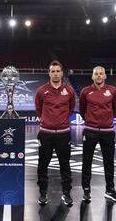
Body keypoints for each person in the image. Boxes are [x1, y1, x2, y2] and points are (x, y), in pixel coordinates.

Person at [35, 61, 76, 207]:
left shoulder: (69, 90)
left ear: (62, 73)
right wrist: (48, 121)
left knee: (65, 164)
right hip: (45, 133)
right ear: (49, 73)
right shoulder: (41, 91)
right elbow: (39, 109)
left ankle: (66, 193)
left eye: (58, 71)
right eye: (53, 71)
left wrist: (61, 121)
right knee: (42, 165)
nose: (56, 73)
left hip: (63, 134)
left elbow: (71, 108)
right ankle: (43, 193)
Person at [79, 66, 116, 203]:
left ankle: (110, 190)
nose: (98, 76)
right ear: (92, 76)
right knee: (87, 161)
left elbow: (115, 109)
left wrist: (106, 121)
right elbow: (82, 110)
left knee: (108, 162)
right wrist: (91, 121)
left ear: (105, 76)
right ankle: (86, 190)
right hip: (90, 131)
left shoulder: (112, 90)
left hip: (107, 132)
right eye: (96, 74)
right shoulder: (86, 91)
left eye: (101, 74)